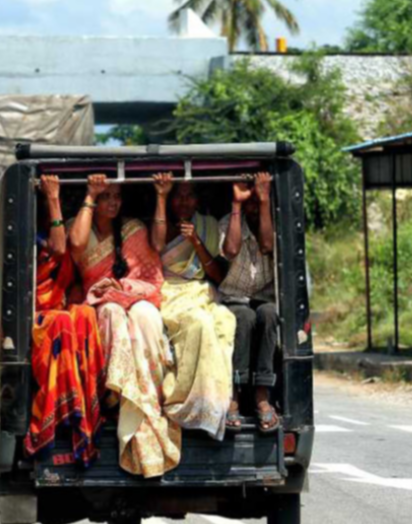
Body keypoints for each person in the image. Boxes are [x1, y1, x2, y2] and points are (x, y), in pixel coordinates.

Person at [68, 174, 180, 478]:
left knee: (146, 315)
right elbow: (76, 246)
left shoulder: (133, 229)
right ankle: (115, 394)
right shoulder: (79, 225)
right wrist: (91, 195)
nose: (113, 202)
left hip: (133, 294)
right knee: (112, 314)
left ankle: (150, 396)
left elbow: (149, 277)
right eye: (107, 197)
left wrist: (123, 288)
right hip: (99, 303)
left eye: (117, 196)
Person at [25, 175, 104, 466]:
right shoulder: (28, 235)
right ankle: (62, 411)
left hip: (58, 308)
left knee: (83, 315)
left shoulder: (69, 231)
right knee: (60, 322)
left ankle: (88, 406)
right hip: (37, 318)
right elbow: (58, 249)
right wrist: (53, 197)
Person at [150, 173, 235, 440]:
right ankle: (186, 399)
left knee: (224, 320)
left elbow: (218, 276)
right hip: (168, 292)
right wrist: (161, 197)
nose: (184, 201)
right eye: (179, 195)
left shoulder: (206, 225)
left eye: (190, 195)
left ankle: (219, 400)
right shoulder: (157, 223)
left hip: (199, 290)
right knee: (199, 323)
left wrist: (196, 241)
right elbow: (157, 245)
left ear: (197, 199)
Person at [220, 172, 280, 434]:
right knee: (243, 318)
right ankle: (234, 392)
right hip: (233, 298)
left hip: (263, 298)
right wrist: (236, 204)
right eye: (251, 202)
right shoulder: (229, 222)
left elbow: (267, 245)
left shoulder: (272, 223)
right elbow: (231, 250)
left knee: (268, 314)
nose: (254, 207)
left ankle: (261, 394)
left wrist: (264, 200)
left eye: (259, 202)